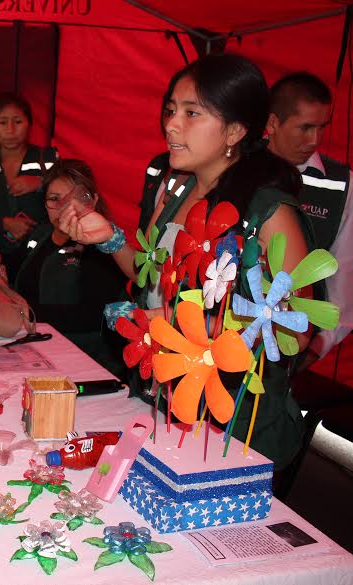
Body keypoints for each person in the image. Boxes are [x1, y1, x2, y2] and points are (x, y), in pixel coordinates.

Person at [59, 54, 314, 469]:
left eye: (192, 113)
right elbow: (152, 278)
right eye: (171, 110)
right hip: (163, 397)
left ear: (234, 129)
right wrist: (109, 239)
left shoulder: (268, 214)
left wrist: (183, 330)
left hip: (233, 420)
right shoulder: (176, 191)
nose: (171, 124)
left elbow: (296, 334)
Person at [266, 72, 352, 365]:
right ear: (272, 123)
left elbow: (344, 274)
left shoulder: (342, 184)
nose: (315, 140)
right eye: (305, 128)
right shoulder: (239, 167)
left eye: (321, 127)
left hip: (295, 345)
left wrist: (319, 344)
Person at [15, 159, 126, 376]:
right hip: (36, 351)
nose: (64, 208)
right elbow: (22, 278)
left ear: (92, 201)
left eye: (73, 199)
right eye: (54, 199)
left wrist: (23, 314)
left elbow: (92, 317)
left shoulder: (103, 247)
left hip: (86, 363)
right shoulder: (39, 235)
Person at [0, 92, 57, 281]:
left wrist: (40, 183)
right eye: (2, 122)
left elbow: (69, 200)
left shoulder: (49, 160)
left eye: (18, 122)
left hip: (42, 261)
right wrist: (3, 223)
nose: (10, 130)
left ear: (29, 124)